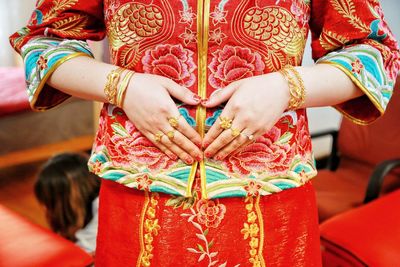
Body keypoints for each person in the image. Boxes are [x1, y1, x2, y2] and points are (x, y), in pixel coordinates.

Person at [10, 0, 399, 266]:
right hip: (139, 193)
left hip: (269, 196)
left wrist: (287, 88)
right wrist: (121, 86)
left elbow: (376, 52)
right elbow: (42, 40)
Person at [34, 153, 100, 254]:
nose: (46, 209)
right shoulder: (89, 204)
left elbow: (83, 256)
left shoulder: (100, 213)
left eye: (50, 204)